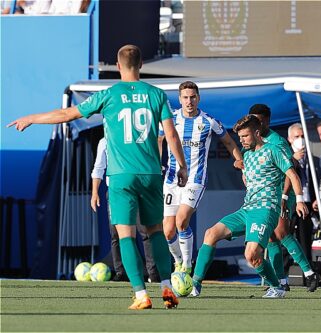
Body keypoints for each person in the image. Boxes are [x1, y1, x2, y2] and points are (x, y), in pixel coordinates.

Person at [9, 44, 188, 310]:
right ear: (140, 65)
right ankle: (166, 287)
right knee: (155, 233)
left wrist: (33, 117)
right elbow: (171, 135)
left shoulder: (109, 94)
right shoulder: (156, 94)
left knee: (126, 236)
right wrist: (181, 165)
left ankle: (141, 295)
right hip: (150, 173)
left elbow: (67, 114)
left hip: (121, 176)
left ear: (118, 66)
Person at [191, 115, 309, 298]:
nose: (242, 141)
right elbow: (250, 178)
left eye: (245, 136)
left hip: (266, 209)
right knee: (210, 234)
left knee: (252, 254)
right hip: (247, 209)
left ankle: (277, 287)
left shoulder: (274, 150)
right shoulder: (247, 155)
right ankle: (194, 285)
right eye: (240, 137)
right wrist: (242, 170)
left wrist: (299, 200)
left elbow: (293, 175)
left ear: (256, 133)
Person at [161, 81, 242, 274]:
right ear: (179, 99)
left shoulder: (208, 121)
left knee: (182, 220)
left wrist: (238, 159)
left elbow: (228, 141)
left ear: (198, 98)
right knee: (168, 230)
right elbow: (158, 139)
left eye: (193, 97)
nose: (189, 101)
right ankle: (179, 261)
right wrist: (157, 163)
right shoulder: (169, 119)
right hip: (172, 179)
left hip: (195, 179)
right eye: (185, 98)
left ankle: (187, 266)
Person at [248, 105, 319, 291]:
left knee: (281, 232)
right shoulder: (253, 141)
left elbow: (289, 172)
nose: (258, 124)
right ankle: (282, 281)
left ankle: (310, 274)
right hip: (265, 196)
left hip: (282, 194)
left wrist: (285, 197)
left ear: (268, 121)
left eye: (261, 121)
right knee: (272, 237)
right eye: (255, 120)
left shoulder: (277, 142)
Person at [91, 137, 159, 283]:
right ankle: (121, 273)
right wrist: (94, 192)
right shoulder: (104, 141)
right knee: (116, 234)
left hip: (138, 189)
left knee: (145, 231)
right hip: (116, 192)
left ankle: (152, 274)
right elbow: (98, 167)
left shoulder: (132, 138)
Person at [284, 123, 315, 284]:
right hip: (289, 204)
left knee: (305, 242)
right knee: (283, 240)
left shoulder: (313, 159)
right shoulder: (285, 156)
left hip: (307, 205)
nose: (300, 140)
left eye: (303, 136)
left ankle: (309, 279)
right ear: (290, 139)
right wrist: (293, 160)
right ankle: (281, 280)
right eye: (297, 137)